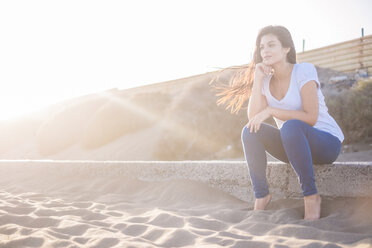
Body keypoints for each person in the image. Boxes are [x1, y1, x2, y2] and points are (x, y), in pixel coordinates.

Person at [209, 25, 344, 220]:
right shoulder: (265, 81)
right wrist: (257, 80)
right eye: (262, 47)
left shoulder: (303, 71)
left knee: (290, 126)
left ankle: (311, 197)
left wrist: (271, 110)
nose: (265, 51)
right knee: (250, 131)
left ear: (286, 48)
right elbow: (253, 118)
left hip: (326, 143)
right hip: (294, 145)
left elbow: (311, 117)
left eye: (271, 45)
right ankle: (262, 195)